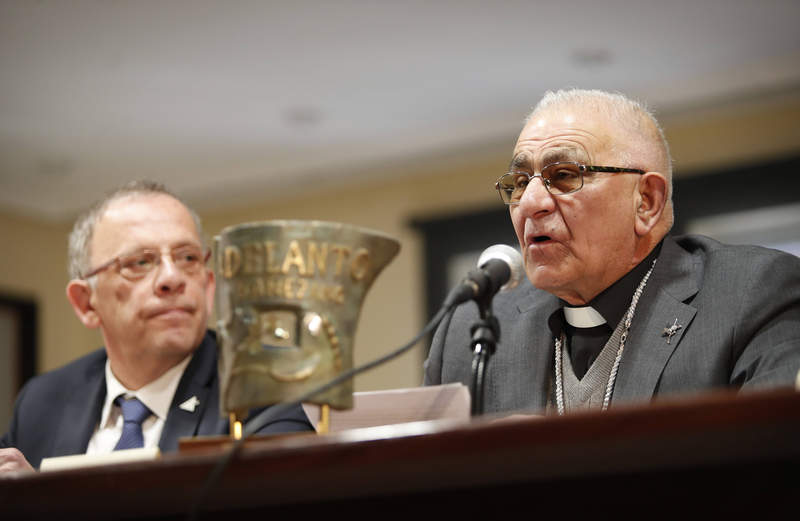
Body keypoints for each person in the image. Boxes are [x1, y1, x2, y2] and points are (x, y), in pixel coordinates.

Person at [424, 88, 800, 416]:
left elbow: (771, 468)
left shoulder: (752, 295)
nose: (531, 203)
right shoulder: (469, 332)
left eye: (565, 175)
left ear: (647, 202)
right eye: (520, 182)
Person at [0, 181, 312, 472]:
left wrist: (45, 505)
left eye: (188, 257)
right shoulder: (42, 402)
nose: (172, 278)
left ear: (208, 286)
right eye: (139, 262)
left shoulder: (265, 384)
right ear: (87, 303)